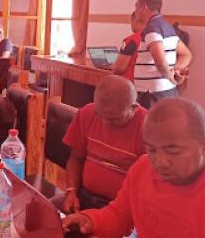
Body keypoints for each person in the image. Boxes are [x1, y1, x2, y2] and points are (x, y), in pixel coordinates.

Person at [63, 98, 205, 238]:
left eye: (173, 151)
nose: (160, 162)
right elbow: (120, 215)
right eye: (152, 149)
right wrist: (90, 219)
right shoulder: (143, 166)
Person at [62, 75, 147, 213]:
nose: (105, 122)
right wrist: (71, 191)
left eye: (114, 119)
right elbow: (76, 158)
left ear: (134, 108)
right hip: (84, 197)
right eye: (99, 114)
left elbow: (149, 184)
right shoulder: (87, 113)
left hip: (123, 208)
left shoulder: (147, 128)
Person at [132, 0, 192, 108]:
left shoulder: (152, 28)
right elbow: (186, 55)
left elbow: (159, 61)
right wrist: (174, 71)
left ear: (143, 7)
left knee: (150, 125)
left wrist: (171, 77)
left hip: (151, 93)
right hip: (165, 91)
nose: (135, 11)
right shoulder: (166, 26)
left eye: (136, 6)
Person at [112, 12, 144, 81]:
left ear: (135, 20)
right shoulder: (153, 39)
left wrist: (113, 66)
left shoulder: (131, 40)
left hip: (128, 84)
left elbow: (119, 68)